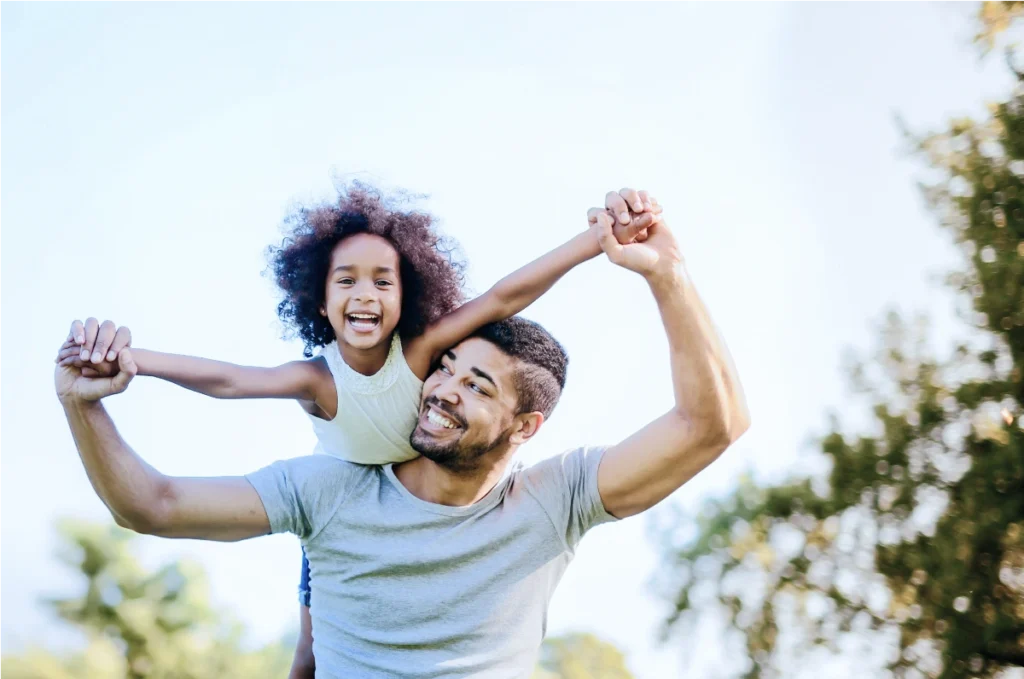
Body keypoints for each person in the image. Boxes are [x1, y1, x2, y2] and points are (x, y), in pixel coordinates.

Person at [54, 189, 749, 679]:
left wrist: (668, 274)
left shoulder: (553, 500)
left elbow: (711, 425)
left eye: (477, 385)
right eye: (447, 367)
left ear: (526, 426)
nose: (444, 386)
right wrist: (84, 405)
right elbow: (152, 504)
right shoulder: (328, 488)